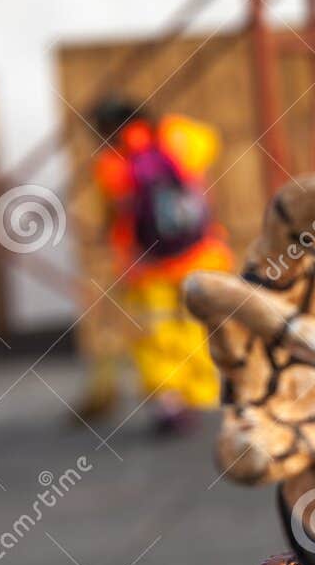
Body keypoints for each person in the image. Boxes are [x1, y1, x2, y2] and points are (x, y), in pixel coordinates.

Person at [79, 97, 232, 432]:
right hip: (200, 253)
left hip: (146, 264)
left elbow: (118, 213)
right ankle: (200, 393)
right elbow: (211, 144)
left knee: (154, 331)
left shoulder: (111, 163)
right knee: (196, 324)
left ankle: (169, 400)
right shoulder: (183, 135)